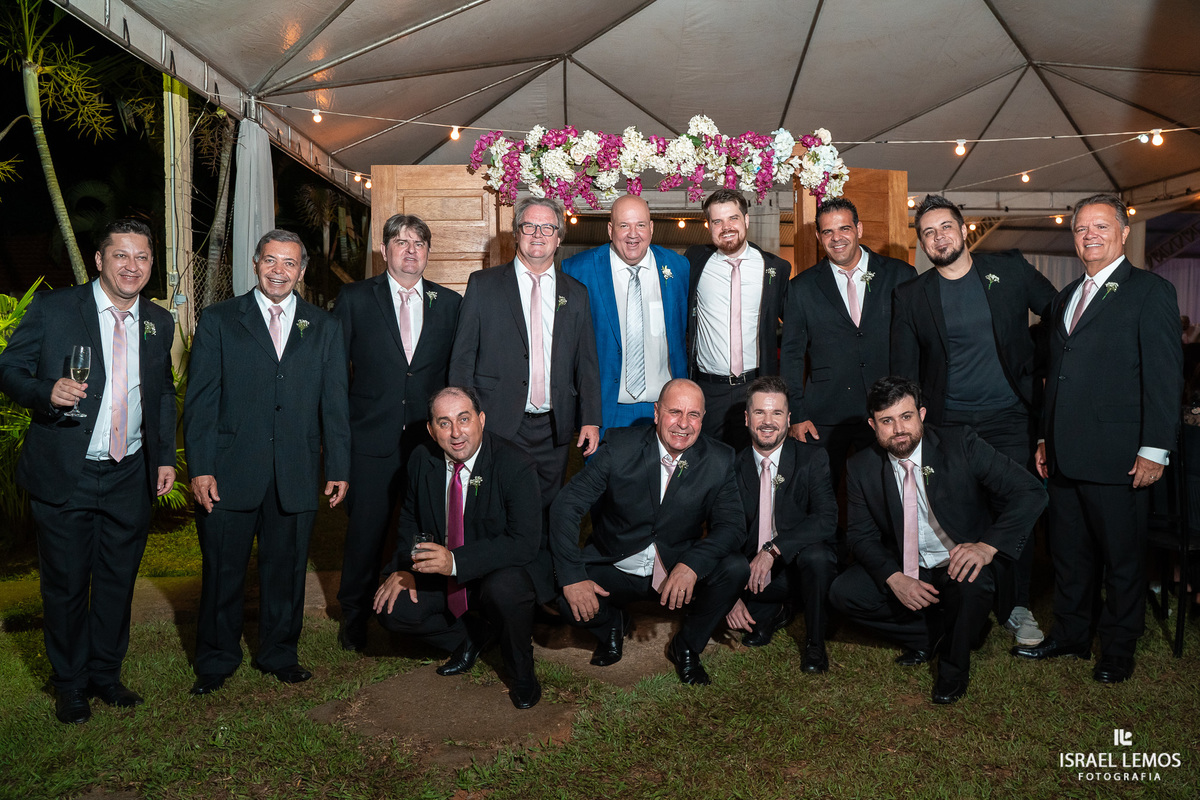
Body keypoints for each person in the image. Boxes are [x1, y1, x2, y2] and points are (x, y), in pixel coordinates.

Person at [0, 219, 176, 724]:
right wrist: (44, 392)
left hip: (129, 473)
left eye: (142, 257)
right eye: (120, 255)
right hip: (67, 471)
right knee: (67, 584)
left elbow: (162, 393)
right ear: (99, 260)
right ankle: (70, 683)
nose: (132, 266)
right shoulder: (56, 309)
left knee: (119, 582)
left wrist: (164, 457)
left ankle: (105, 674)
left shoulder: (158, 323)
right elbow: (9, 369)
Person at [1015, 194, 1183, 683]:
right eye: (1081, 228)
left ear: (1123, 232)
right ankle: (1069, 635)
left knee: (1122, 560)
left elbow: (1164, 376)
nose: (1089, 235)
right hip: (1065, 456)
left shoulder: (1150, 292)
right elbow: (1057, 377)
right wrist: (1045, 439)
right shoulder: (1066, 298)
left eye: (1100, 226)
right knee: (1069, 555)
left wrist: (1155, 448)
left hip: (1120, 458)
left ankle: (1118, 648)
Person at [184, 229, 350, 696]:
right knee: (222, 572)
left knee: (287, 570)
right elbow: (200, 402)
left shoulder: (324, 326)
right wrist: (200, 467)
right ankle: (215, 660)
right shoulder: (219, 320)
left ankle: (279, 653)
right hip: (229, 471)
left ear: (302, 270)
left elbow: (335, 404)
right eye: (271, 261)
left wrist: (338, 467)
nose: (280, 270)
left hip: (295, 471)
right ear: (256, 264)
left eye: (290, 263)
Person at [891, 194, 1056, 648]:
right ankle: (970, 603)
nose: (938, 237)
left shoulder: (1010, 269)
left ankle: (1017, 605)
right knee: (962, 514)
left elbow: (1060, 312)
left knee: (1014, 512)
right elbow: (904, 370)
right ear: (922, 242)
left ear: (963, 230)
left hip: (1009, 418)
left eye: (945, 227)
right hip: (949, 426)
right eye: (928, 232)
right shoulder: (911, 295)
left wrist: (1037, 363)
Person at [829, 377, 1046, 704]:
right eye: (887, 421)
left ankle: (952, 670)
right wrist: (895, 578)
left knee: (971, 588)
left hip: (958, 561)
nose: (899, 429)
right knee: (842, 593)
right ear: (873, 425)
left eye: (906, 416)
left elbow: (1030, 492)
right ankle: (946, 633)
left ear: (922, 414)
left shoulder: (960, 443)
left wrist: (986, 547)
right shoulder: (861, 466)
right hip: (909, 564)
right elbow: (860, 535)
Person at [549, 378, 746, 685]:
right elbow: (566, 506)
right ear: (656, 413)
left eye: (693, 414)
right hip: (616, 564)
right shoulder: (619, 447)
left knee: (734, 568)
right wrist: (573, 576)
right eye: (674, 412)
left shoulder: (719, 460)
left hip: (674, 572)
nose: (683, 424)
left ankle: (688, 646)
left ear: (703, 419)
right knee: (560, 589)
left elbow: (732, 526)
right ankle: (610, 624)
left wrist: (692, 565)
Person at [332, 214, 462, 652]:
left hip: (428, 444)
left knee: (426, 529)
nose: (410, 250)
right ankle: (354, 617)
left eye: (419, 243)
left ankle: (419, 605)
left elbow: (453, 375)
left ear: (428, 252)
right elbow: (335, 377)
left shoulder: (449, 303)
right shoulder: (353, 299)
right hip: (369, 441)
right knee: (365, 533)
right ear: (384, 250)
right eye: (401, 242)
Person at [373, 387, 546, 708]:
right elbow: (410, 520)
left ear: (481, 420)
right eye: (444, 422)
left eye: (464, 419)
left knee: (506, 589)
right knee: (391, 608)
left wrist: (454, 561)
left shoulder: (515, 464)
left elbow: (524, 543)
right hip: (442, 570)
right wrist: (405, 567)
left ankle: (522, 671)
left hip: (496, 571)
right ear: (430, 428)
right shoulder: (421, 460)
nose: (456, 433)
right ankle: (473, 635)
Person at [449, 196, 601, 523]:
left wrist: (590, 417)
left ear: (559, 237)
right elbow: (462, 359)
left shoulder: (576, 293)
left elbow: (586, 361)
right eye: (529, 225)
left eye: (548, 227)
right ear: (516, 233)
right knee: (494, 512)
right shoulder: (483, 285)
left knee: (547, 516)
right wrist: (461, 418)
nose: (538, 234)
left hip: (554, 428)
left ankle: (541, 574)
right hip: (497, 424)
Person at [780, 197, 915, 494]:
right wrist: (798, 414)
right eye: (827, 232)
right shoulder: (801, 287)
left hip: (888, 409)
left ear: (859, 229)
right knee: (820, 495)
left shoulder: (900, 275)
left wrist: (912, 404)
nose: (836, 238)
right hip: (825, 414)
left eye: (844, 228)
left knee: (888, 492)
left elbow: (915, 345)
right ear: (818, 237)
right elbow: (791, 354)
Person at [725, 376, 838, 672]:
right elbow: (719, 531)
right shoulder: (730, 466)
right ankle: (775, 610)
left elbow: (827, 519)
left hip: (797, 569)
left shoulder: (812, 459)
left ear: (788, 419)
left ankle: (815, 643)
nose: (768, 421)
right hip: (752, 574)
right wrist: (728, 595)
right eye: (760, 412)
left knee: (818, 556)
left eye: (776, 413)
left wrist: (774, 550)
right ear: (747, 418)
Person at [562, 194, 689, 440]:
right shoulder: (578, 269)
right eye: (624, 225)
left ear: (651, 228)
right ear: (610, 229)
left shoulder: (679, 267)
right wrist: (587, 415)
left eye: (640, 225)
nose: (633, 234)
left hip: (664, 409)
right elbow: (569, 348)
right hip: (605, 411)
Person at [686, 189, 789, 450]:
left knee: (753, 463)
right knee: (706, 464)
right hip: (709, 388)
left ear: (747, 220)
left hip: (756, 387)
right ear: (708, 226)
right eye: (717, 222)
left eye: (733, 218)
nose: (726, 227)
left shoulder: (774, 268)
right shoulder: (693, 261)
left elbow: (794, 327)